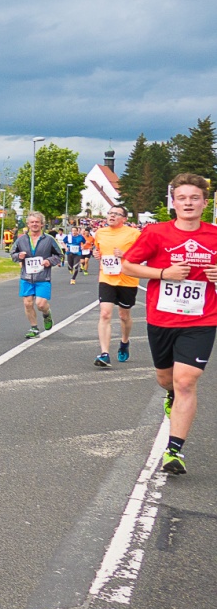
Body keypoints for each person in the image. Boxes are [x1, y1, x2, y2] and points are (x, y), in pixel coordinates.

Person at [123, 173, 217, 475]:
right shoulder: (156, 232)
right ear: (173, 203)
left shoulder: (215, 235)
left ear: (204, 202)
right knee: (166, 379)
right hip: (162, 318)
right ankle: (171, 396)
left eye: (194, 198)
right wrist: (164, 273)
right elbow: (128, 264)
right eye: (182, 198)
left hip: (202, 318)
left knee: (186, 380)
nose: (188, 203)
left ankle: (174, 451)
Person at [91, 207, 140, 366]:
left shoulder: (134, 234)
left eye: (116, 214)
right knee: (105, 314)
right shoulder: (100, 233)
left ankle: (124, 342)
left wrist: (125, 254)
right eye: (110, 213)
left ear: (124, 218)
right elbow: (97, 250)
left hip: (127, 279)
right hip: (106, 277)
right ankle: (104, 353)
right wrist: (96, 254)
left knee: (124, 316)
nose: (111, 215)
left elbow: (143, 254)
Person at [12, 212, 62, 338]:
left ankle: (46, 313)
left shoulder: (49, 240)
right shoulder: (21, 239)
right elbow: (12, 254)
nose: (34, 224)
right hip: (26, 277)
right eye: (32, 222)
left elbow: (60, 255)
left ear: (42, 224)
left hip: (43, 277)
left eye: (37, 222)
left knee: (41, 304)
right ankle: (34, 328)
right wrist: (19, 256)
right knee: (28, 303)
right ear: (28, 224)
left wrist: (49, 261)